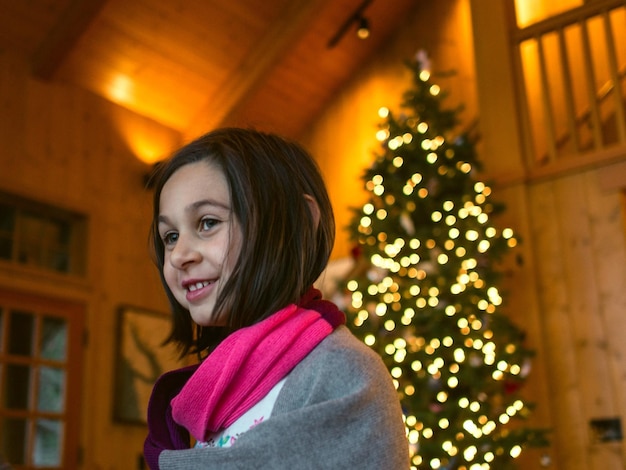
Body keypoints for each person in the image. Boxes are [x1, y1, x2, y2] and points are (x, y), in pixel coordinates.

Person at [143, 128, 409, 469]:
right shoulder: (216, 387)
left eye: (208, 222)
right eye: (170, 236)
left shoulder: (344, 371)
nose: (179, 255)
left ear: (295, 221)